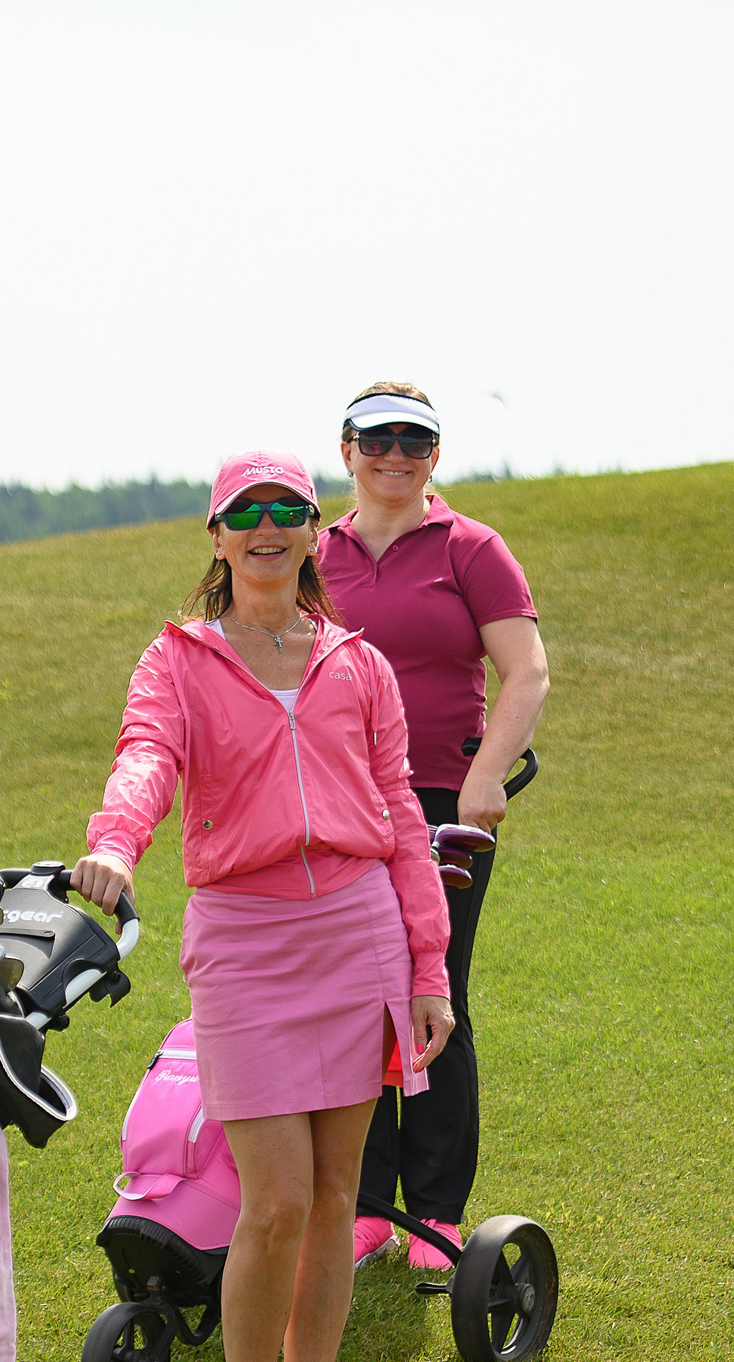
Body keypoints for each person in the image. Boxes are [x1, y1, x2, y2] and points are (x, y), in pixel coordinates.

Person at [72, 450, 454, 1362]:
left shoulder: (357, 664)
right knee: (274, 1199)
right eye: (247, 513)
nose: (268, 528)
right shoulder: (180, 659)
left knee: (336, 1194)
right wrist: (115, 839)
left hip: (357, 936)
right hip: (244, 942)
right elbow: (145, 751)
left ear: (313, 528)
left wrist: (428, 963)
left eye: (288, 510)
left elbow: (403, 820)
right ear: (217, 536)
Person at [314, 383, 550, 1273]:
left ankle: (439, 1212)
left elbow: (526, 672)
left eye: (415, 440)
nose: (396, 454)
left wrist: (488, 772)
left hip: (446, 804)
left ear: (435, 456)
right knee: (350, 1002)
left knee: (433, 990)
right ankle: (368, 1206)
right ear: (347, 450)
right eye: (378, 438)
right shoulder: (313, 550)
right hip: (337, 806)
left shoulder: (473, 549)